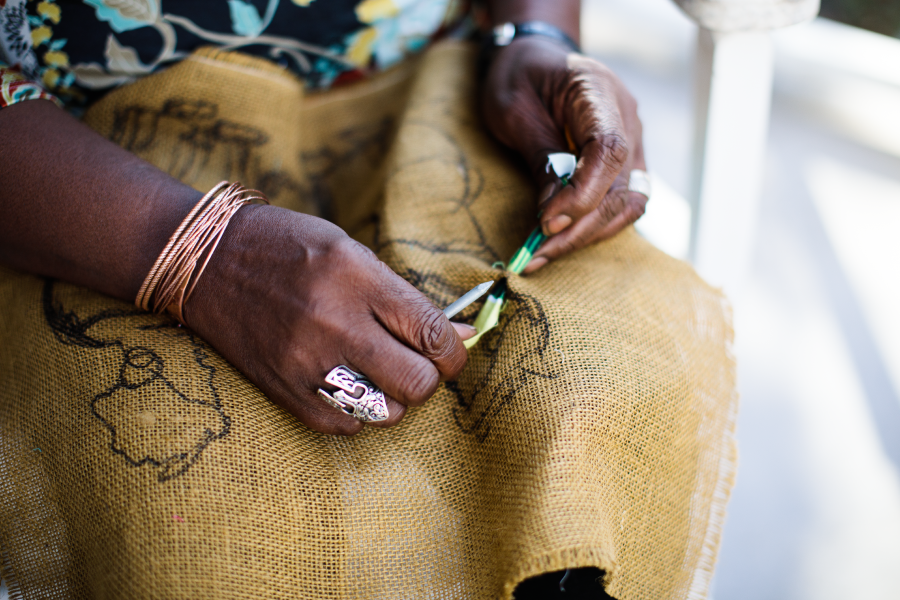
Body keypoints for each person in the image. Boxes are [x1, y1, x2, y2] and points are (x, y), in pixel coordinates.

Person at [0, 1, 733, 598]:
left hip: (449, 99)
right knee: (202, 503)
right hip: (89, 186)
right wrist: (203, 256)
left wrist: (535, 36)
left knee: (595, 397)